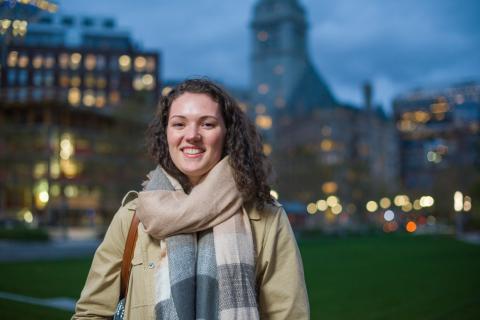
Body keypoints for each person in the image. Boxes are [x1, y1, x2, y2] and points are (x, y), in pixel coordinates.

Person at [72, 78, 309, 320]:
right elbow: (92, 314)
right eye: (179, 124)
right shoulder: (132, 217)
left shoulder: (267, 217)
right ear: (166, 134)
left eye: (207, 124)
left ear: (227, 133)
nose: (192, 135)